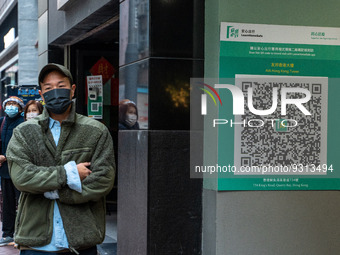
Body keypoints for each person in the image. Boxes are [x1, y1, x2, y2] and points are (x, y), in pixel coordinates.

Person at [6, 63, 115, 255]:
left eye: (61, 86)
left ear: (72, 90)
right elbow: (21, 176)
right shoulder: (24, 132)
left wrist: (56, 193)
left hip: (81, 239)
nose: (55, 92)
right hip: (36, 242)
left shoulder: (96, 131)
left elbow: (102, 180)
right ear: (41, 95)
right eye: (48, 88)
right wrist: (69, 174)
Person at [0, 96, 25, 246]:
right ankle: (7, 234)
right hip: (4, 170)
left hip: (20, 169)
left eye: (14, 104)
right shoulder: (2, 122)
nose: (11, 107)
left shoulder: (23, 123)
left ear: (21, 109)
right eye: (8, 104)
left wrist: (6, 157)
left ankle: (23, 233)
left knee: (22, 202)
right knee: (7, 203)